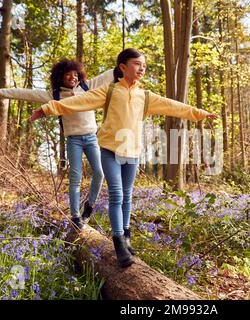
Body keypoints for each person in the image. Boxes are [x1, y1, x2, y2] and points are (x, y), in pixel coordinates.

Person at [30, 48, 217, 268]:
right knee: (116, 194)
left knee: (127, 196)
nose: (141, 68)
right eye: (137, 64)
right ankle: (118, 242)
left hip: (133, 152)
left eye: (143, 65)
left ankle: (126, 236)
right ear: (122, 67)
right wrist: (47, 109)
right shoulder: (109, 91)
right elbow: (78, 102)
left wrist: (199, 113)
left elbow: (172, 105)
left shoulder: (145, 96)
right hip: (109, 149)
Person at [0, 58, 113, 228]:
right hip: (73, 140)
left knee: (99, 173)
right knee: (75, 177)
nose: (73, 78)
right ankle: (75, 216)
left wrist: (128, 65)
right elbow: (26, 93)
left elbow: (109, 74)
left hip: (91, 138)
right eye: (69, 75)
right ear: (61, 77)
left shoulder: (86, 87)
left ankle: (89, 206)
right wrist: (1, 92)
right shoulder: (54, 95)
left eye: (75, 74)